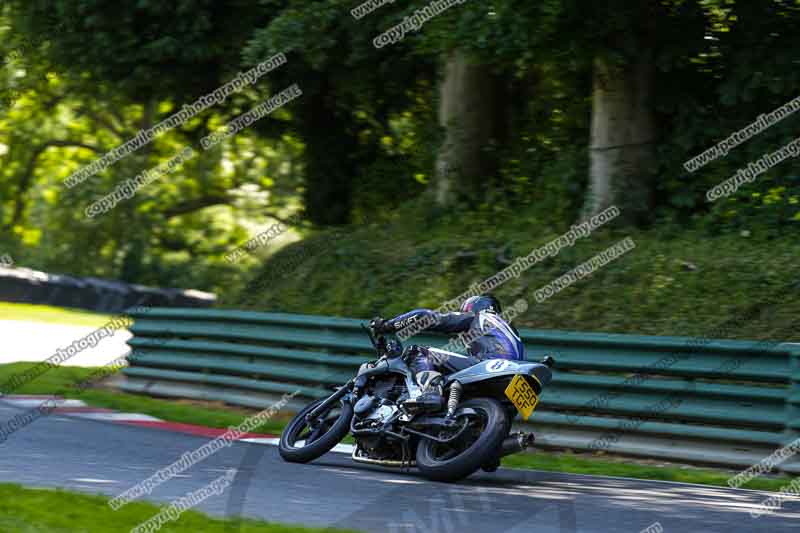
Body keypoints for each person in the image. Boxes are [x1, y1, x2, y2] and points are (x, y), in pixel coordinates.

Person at [370, 294, 524, 411]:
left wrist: (387, 325)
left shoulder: (479, 317)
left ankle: (431, 392)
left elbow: (427, 317)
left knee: (417, 352)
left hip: (490, 364)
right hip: (513, 376)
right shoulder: (512, 331)